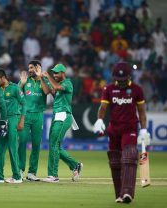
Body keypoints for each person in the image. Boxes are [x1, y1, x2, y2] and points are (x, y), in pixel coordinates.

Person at [93, 62, 150, 204]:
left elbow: (142, 111)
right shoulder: (109, 88)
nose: (121, 83)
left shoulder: (137, 89)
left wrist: (143, 129)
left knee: (129, 157)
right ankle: (118, 194)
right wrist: (99, 120)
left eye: (124, 80)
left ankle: (127, 193)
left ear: (129, 76)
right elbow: (103, 107)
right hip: (114, 129)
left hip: (130, 128)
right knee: (115, 161)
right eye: (119, 80)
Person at [41, 64, 83, 183]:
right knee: (55, 145)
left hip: (64, 116)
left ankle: (53, 175)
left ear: (63, 73)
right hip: (57, 116)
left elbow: (56, 87)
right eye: (53, 73)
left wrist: (47, 76)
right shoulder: (58, 86)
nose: (54, 75)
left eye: (56, 73)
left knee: (54, 144)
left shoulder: (67, 83)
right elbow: (50, 90)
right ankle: (75, 165)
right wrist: (42, 78)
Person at [0, 69, 26, 183]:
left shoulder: (15, 88)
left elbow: (24, 103)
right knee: (0, 148)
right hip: (2, 120)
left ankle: (17, 176)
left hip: (13, 119)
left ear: (3, 78)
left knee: (12, 148)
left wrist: (21, 121)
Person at [18, 60, 50, 181]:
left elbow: (47, 91)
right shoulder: (26, 80)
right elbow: (14, 92)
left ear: (38, 68)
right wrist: (21, 84)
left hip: (38, 115)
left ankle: (32, 173)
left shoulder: (44, 80)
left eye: (32, 68)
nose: (30, 70)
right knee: (22, 142)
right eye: (29, 68)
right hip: (25, 115)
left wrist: (41, 77)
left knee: (36, 144)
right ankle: (20, 170)